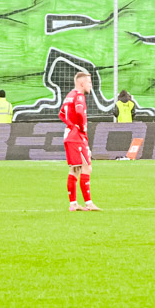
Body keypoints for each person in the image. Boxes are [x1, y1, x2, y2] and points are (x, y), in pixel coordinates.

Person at [60, 71, 99, 211]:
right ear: (82, 83)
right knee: (87, 167)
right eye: (89, 82)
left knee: (75, 169)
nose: (91, 85)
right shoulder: (79, 96)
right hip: (77, 137)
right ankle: (89, 203)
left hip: (69, 134)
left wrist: (71, 125)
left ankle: (73, 204)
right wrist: (81, 128)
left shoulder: (69, 95)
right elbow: (79, 112)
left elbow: (61, 114)